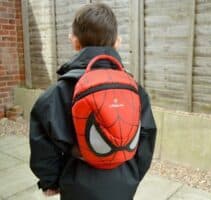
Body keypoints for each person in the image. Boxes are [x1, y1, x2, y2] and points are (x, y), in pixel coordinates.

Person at [29, 3, 157, 200]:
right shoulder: (135, 90)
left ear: (75, 42)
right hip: (123, 184)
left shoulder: (57, 93)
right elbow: (147, 136)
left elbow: (42, 146)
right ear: (117, 42)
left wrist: (51, 182)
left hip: (77, 185)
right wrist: (133, 175)